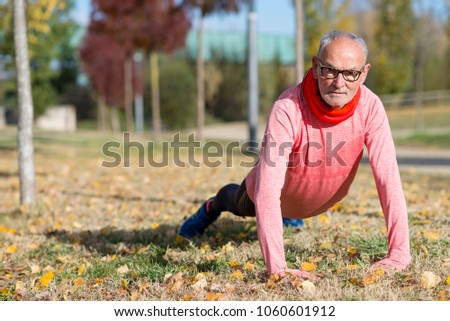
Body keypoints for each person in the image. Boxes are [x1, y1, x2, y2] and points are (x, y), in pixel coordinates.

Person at [179, 30, 411, 279]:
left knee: (286, 209)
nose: (339, 83)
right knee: (233, 200)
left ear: (364, 74)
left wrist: (399, 253)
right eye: (330, 70)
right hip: (268, 195)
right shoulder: (288, 108)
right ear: (315, 65)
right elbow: (268, 188)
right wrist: (278, 269)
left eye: (351, 73)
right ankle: (211, 206)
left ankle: (287, 216)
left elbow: (388, 178)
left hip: (323, 199)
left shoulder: (371, 107)